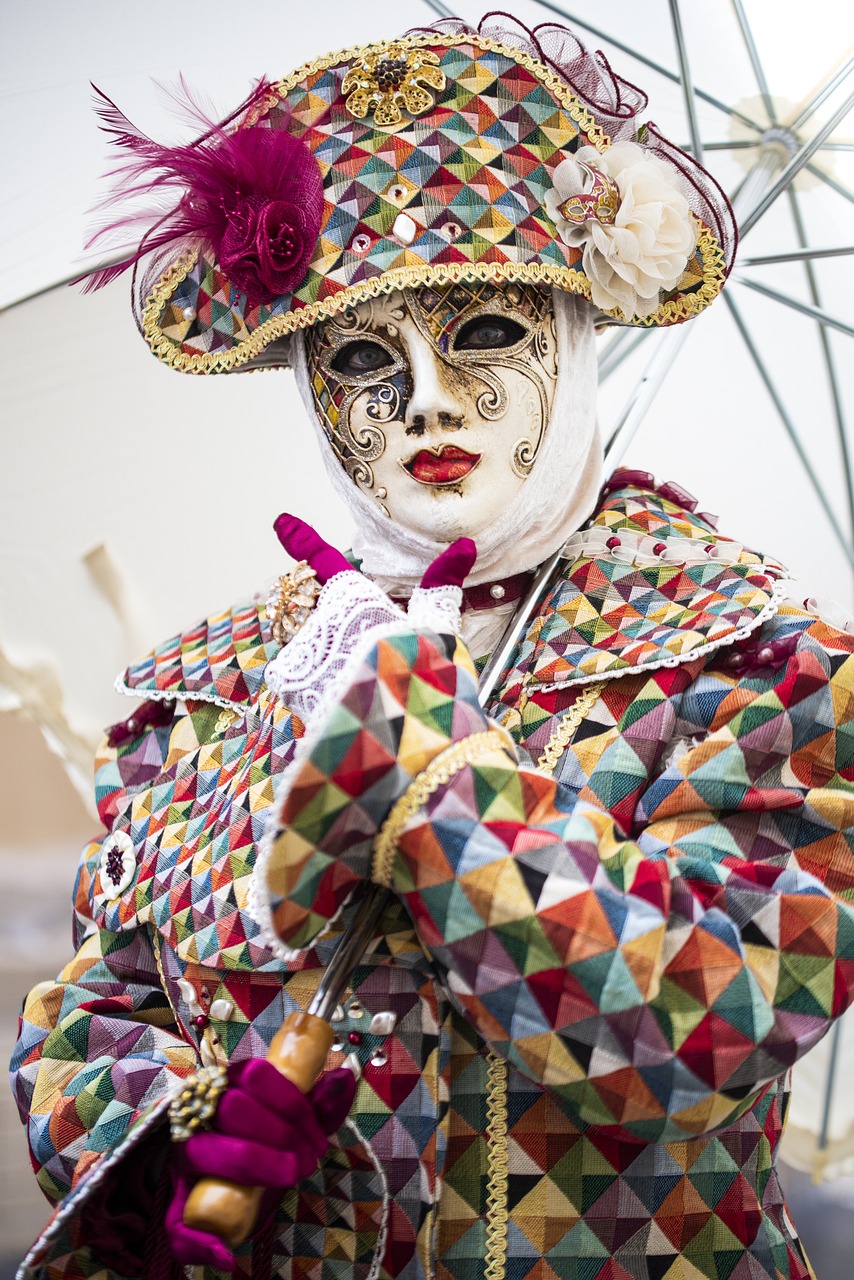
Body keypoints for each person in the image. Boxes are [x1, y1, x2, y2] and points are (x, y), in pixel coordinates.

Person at [11, 14, 854, 1280]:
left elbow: (708, 1022)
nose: (424, 402)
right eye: (358, 359)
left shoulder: (752, 667)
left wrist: (434, 782)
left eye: (484, 334)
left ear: (572, 337)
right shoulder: (212, 686)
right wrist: (169, 1136)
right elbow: (96, 1001)